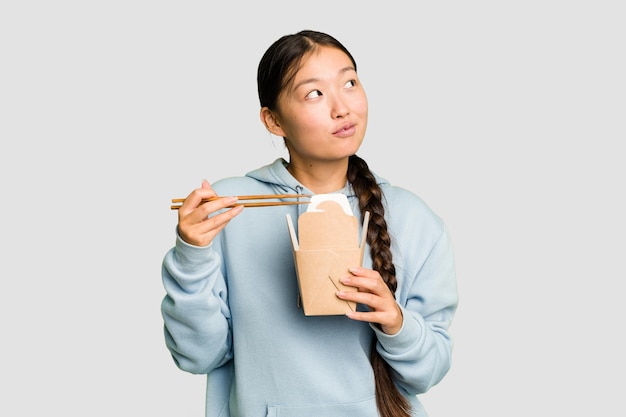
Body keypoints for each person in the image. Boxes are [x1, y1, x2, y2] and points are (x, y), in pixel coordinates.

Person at [161, 29, 458, 417]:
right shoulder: (228, 209)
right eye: (314, 93)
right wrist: (192, 255)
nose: (341, 107)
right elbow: (197, 356)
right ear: (273, 120)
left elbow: (430, 371)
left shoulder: (413, 217)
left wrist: (395, 322)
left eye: (349, 83)